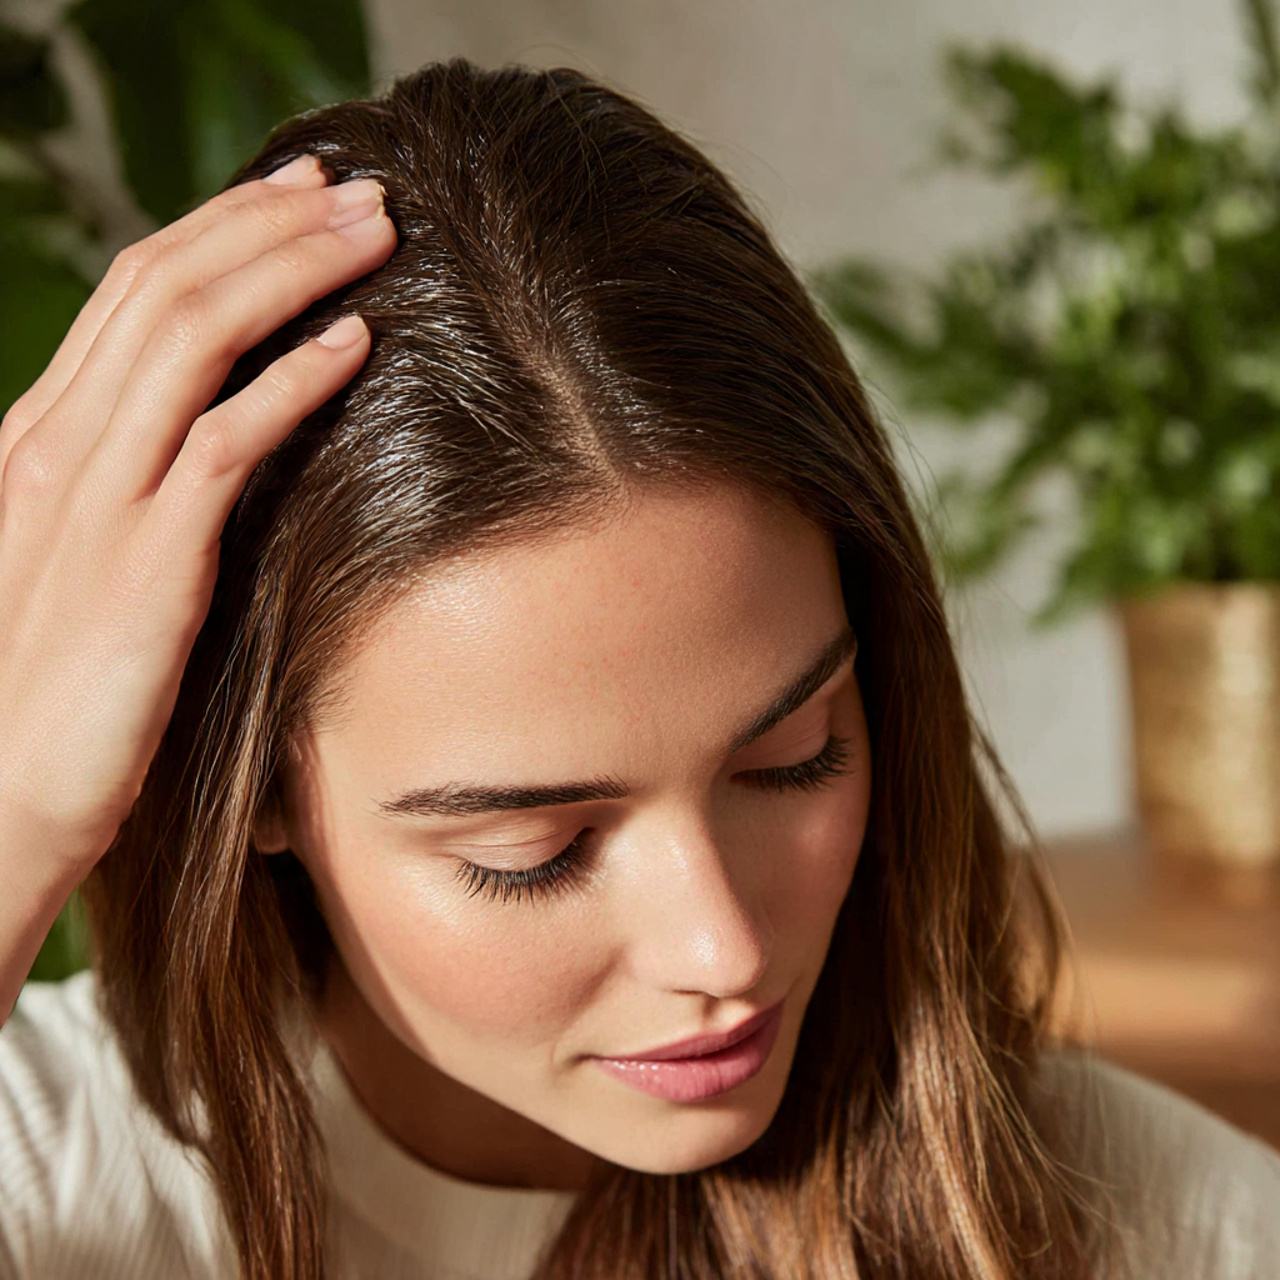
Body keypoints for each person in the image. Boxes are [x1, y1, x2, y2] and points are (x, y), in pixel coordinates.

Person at [0, 59, 1276, 1280]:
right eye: (534, 849)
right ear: (256, 788)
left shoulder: (1159, 1224)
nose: (719, 946)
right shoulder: (53, 1180)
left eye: (794, 757)